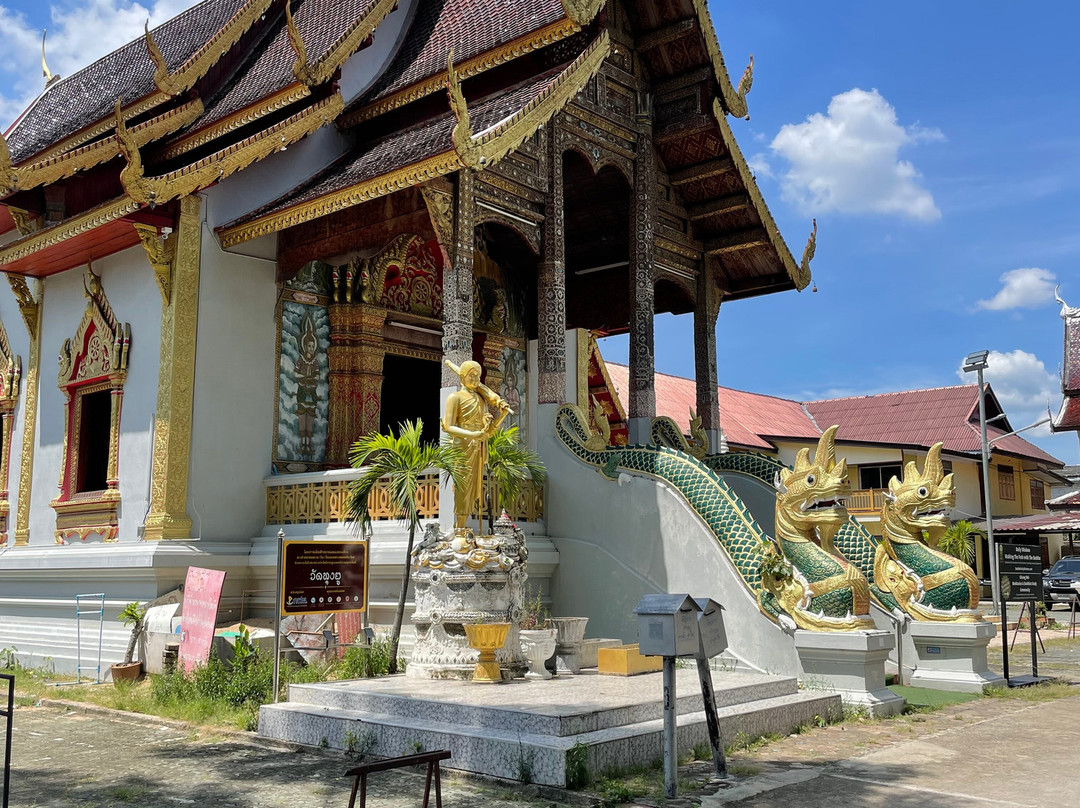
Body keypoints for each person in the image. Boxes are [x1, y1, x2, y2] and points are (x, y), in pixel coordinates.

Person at [441, 359, 512, 530]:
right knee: (462, 488)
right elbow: (449, 427)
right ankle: (460, 527)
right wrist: (473, 434)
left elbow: (488, 431)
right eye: (471, 375)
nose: (475, 379)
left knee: (474, 490)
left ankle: (466, 528)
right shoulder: (455, 397)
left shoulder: (481, 400)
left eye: (478, 376)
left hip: (478, 447)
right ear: (462, 376)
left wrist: (502, 416)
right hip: (461, 447)